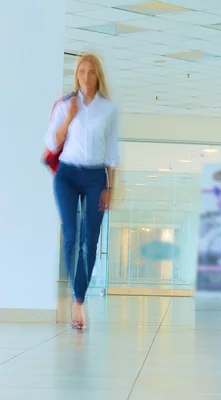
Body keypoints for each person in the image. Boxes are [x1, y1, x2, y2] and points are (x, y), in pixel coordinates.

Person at [44, 53, 119, 330]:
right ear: (76, 75)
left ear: (98, 75)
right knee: (71, 237)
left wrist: (110, 187)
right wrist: (70, 117)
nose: (86, 77)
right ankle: (73, 301)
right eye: (82, 72)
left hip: (95, 176)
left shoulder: (108, 109)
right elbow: (52, 140)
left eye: (91, 72)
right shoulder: (66, 105)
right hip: (67, 174)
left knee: (90, 242)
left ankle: (79, 300)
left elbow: (112, 153)